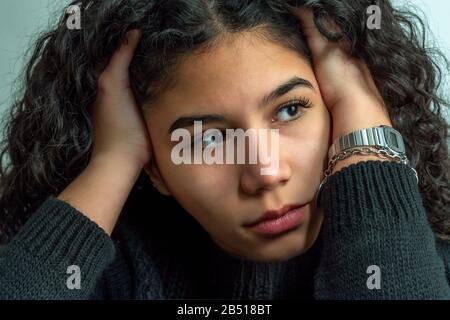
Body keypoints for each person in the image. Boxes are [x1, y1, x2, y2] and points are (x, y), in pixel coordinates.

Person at [0, 0, 449, 299]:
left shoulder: (426, 253)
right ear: (153, 165)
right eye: (207, 139)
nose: (266, 173)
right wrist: (112, 162)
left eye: (291, 110)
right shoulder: (106, 276)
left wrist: (364, 121)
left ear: (336, 106)